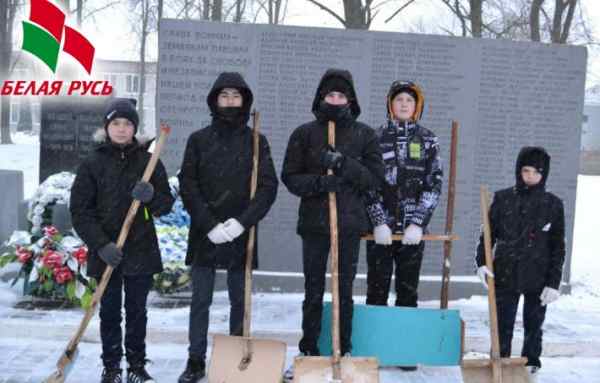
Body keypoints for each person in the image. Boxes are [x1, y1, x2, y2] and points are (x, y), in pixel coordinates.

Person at [176, 72, 278, 383]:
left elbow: (267, 187)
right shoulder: (199, 140)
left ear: (244, 100)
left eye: (236, 96)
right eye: (224, 96)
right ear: (215, 100)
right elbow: (188, 184)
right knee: (201, 300)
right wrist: (209, 224)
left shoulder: (256, 141)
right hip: (206, 230)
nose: (230, 102)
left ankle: (234, 356)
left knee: (239, 299)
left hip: (240, 231)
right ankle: (195, 359)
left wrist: (242, 222)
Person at [281, 68, 384, 363]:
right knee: (313, 288)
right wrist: (320, 183)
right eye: (330, 94)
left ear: (350, 98)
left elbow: (374, 179)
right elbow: (290, 177)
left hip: (349, 223)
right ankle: (309, 348)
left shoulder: (364, 135)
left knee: (344, 289)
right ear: (321, 96)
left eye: (341, 95)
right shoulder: (304, 133)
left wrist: (343, 164)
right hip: (314, 224)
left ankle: (343, 346)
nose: (336, 100)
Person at [70, 97, 175, 383]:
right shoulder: (93, 163)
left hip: (140, 248)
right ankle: (112, 367)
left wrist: (151, 196)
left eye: (127, 123)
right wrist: (101, 245)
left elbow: (165, 204)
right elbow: (80, 211)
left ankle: (137, 367)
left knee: (137, 312)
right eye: (116, 123)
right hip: (107, 251)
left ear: (134, 128)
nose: (121, 129)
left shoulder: (148, 162)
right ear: (107, 126)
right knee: (109, 312)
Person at [475, 146, 565, 381]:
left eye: (537, 172)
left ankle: (530, 363)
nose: (531, 176)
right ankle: (501, 361)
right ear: (519, 170)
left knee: (534, 323)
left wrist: (554, 283)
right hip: (505, 271)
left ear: (544, 174)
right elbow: (488, 235)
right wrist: (482, 263)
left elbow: (558, 246)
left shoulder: (553, 204)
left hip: (539, 274)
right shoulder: (503, 198)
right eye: (526, 170)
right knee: (502, 322)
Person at [365, 81, 443, 312]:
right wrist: (378, 221)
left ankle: (403, 345)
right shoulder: (374, 138)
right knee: (376, 291)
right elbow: (367, 183)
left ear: (417, 105)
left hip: (412, 233)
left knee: (408, 292)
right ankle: (376, 342)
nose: (404, 104)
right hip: (381, 233)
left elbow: (434, 184)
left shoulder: (428, 140)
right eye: (399, 99)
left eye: (410, 100)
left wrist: (418, 223)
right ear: (390, 104)